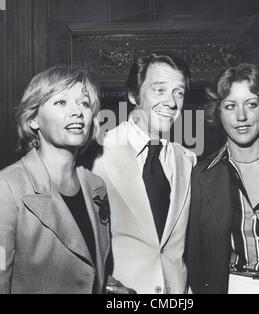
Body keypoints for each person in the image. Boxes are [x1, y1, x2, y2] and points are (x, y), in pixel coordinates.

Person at [0, 66, 133, 294]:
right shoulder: (8, 188)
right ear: (33, 120)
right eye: (61, 102)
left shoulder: (95, 185)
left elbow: (83, 267)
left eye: (83, 103)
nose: (78, 112)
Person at [187, 63, 259, 294]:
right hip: (232, 286)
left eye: (251, 104)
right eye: (230, 106)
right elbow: (195, 256)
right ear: (218, 111)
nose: (241, 117)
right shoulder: (201, 175)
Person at [92, 53, 196, 294]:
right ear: (133, 94)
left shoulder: (189, 161)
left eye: (178, 92)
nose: (171, 102)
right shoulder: (97, 156)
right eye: (159, 90)